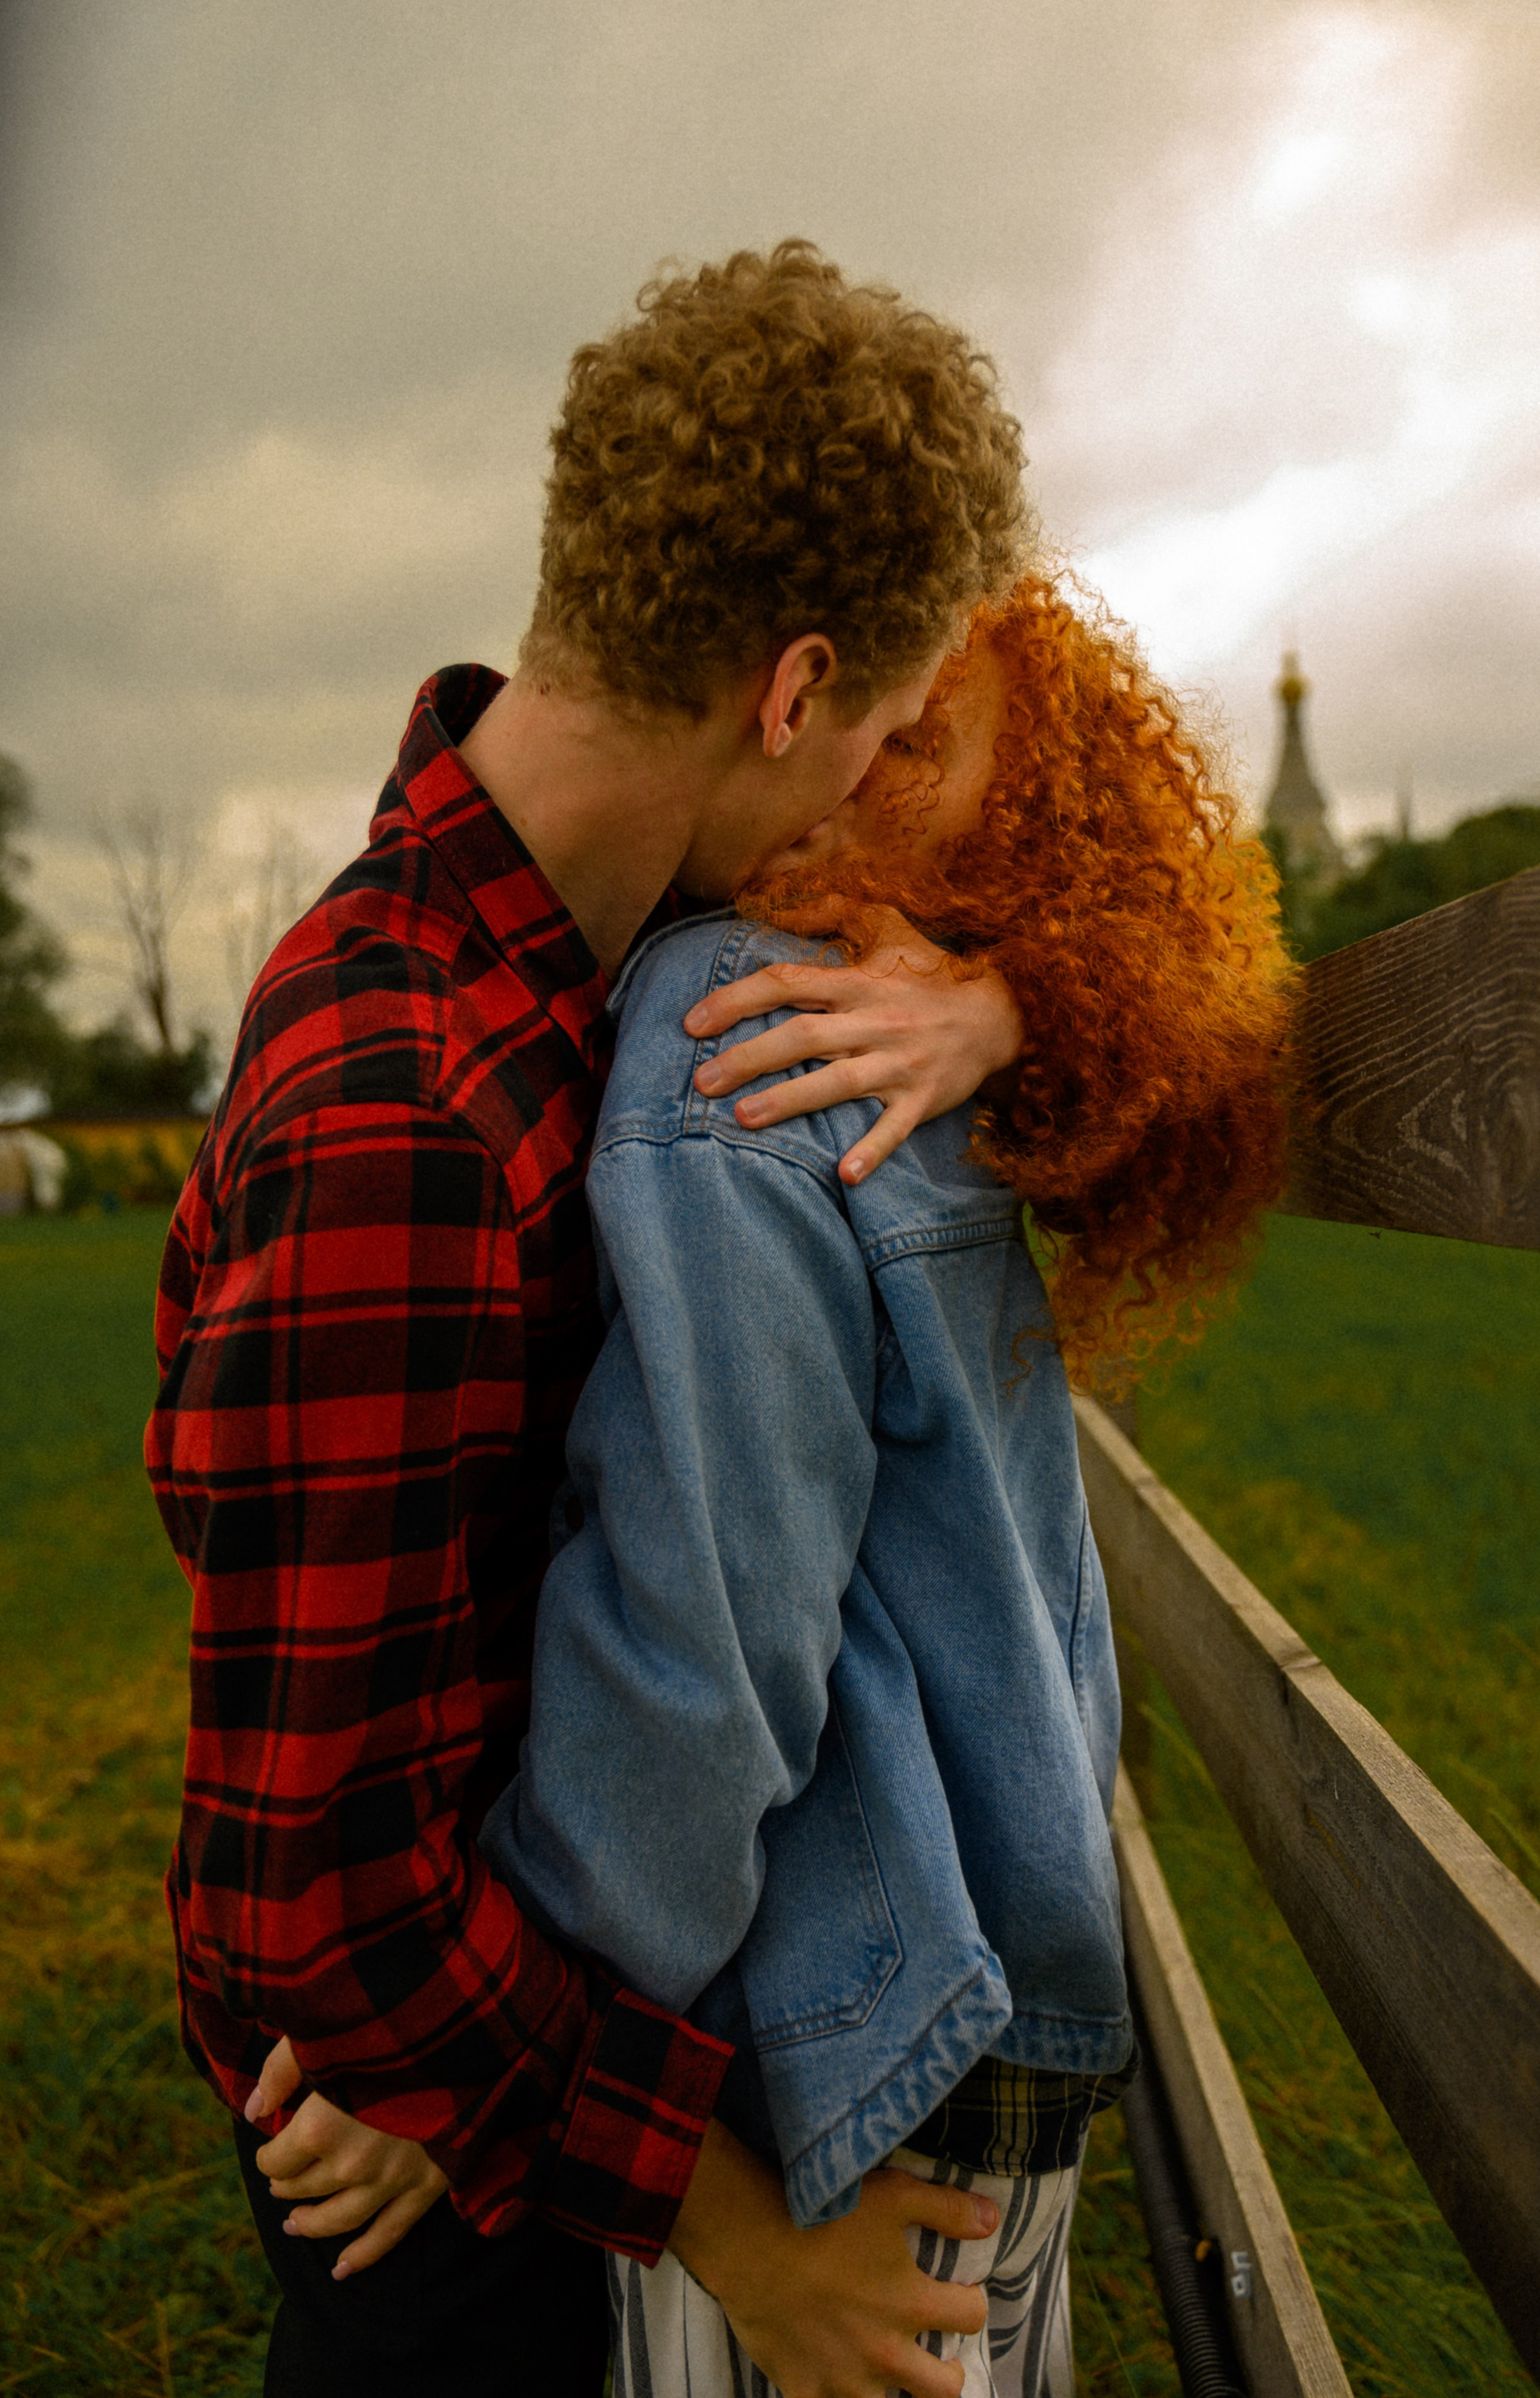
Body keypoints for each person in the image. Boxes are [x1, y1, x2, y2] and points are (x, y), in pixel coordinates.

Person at [145, 241, 1044, 2398]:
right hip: (440, 2159)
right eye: (886, 731)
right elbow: (317, 1904)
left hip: (494, 2074)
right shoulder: (401, 1109)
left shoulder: (579, 962)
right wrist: (741, 2229)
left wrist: (1004, 1002)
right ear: (793, 689)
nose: (879, 793)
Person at [473, 575, 1297, 2394]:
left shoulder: (747, 1014)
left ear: (1030, 815)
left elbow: (706, 1639)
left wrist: (491, 2056)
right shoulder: (880, 1015)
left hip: (821, 2042)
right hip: (1002, 1982)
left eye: (922, 739)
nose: (850, 759)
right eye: (851, 707)